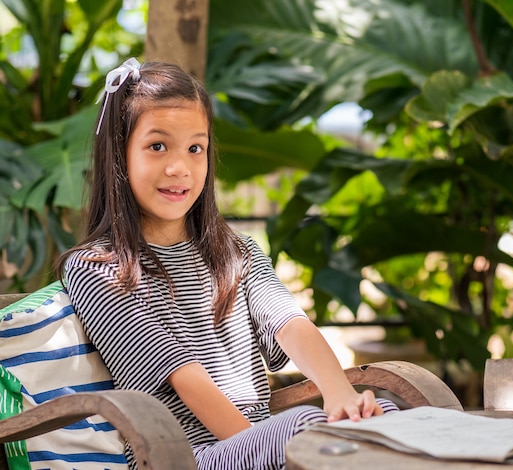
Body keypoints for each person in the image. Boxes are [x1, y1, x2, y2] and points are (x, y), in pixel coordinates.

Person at [56, 58, 399, 469]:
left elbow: (289, 324)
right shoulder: (96, 269)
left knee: (380, 417)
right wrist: (259, 445)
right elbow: (180, 373)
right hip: (180, 457)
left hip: (252, 444)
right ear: (119, 154)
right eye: (157, 145)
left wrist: (340, 393)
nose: (179, 167)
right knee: (308, 430)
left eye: (195, 148)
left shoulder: (236, 252)